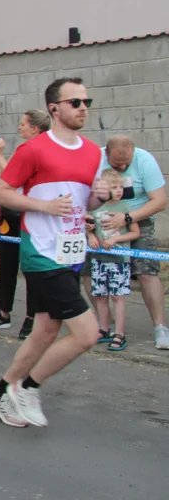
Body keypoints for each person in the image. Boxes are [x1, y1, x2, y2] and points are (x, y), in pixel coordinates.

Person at [0, 76, 108, 429]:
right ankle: (29, 388)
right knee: (87, 333)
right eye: (75, 102)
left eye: (87, 102)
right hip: (40, 252)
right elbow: (2, 193)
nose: (84, 108)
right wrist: (43, 207)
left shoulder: (92, 152)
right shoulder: (34, 149)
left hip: (72, 251)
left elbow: (86, 202)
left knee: (45, 332)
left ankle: (0, 393)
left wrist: (102, 198)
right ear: (54, 108)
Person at [0, 109, 51, 336]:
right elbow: (5, 179)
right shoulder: (24, 151)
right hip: (9, 217)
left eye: (23, 124)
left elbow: (16, 178)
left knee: (31, 269)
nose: (19, 127)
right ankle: (3, 313)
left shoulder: (41, 152)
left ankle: (32, 316)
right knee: (6, 267)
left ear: (35, 128)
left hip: (30, 219)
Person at [96, 134, 168, 350]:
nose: (124, 166)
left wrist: (127, 218)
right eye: (118, 163)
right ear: (107, 155)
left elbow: (160, 201)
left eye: (127, 162)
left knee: (146, 271)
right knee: (93, 272)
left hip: (138, 218)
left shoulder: (144, 161)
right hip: (103, 220)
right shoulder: (95, 160)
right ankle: (104, 326)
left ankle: (160, 328)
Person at [88, 168, 141, 352]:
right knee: (100, 296)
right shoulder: (95, 208)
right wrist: (90, 236)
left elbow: (135, 233)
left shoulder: (125, 208)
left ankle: (119, 333)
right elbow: (88, 226)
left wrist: (115, 239)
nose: (119, 190)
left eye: (121, 186)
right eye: (114, 187)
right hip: (99, 259)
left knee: (117, 297)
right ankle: (104, 329)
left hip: (119, 260)